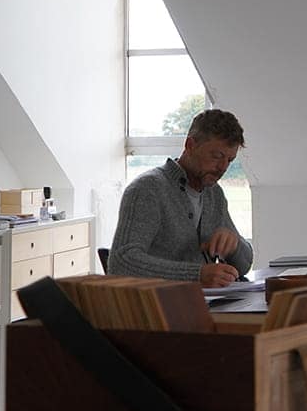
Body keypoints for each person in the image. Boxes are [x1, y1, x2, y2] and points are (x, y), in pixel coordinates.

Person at [108, 108, 254, 287]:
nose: (223, 167)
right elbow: (121, 262)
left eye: (230, 160)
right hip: (158, 302)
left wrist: (235, 246)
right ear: (190, 145)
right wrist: (196, 275)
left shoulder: (214, 194)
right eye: (217, 156)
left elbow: (245, 265)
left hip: (203, 301)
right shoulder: (148, 189)